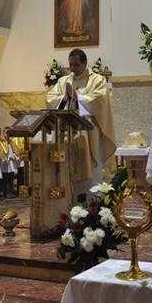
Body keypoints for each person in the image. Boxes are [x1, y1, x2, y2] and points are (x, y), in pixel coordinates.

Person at [45, 49, 116, 195]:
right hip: (67, 132)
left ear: (85, 62)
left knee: (92, 175)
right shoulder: (63, 81)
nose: (72, 68)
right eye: (70, 64)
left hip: (90, 133)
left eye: (76, 64)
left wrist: (79, 98)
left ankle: (92, 204)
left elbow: (100, 101)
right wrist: (64, 99)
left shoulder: (98, 80)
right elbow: (50, 98)